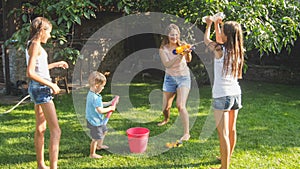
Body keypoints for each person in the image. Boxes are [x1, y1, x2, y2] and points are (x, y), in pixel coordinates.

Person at [26, 17, 69, 169]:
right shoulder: (36, 45)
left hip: (36, 88)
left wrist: (56, 64)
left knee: (41, 128)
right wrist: (51, 84)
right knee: (56, 130)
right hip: (41, 89)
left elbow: (40, 68)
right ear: (42, 31)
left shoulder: (31, 43)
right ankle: (53, 167)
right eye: (49, 32)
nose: (50, 36)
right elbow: (30, 72)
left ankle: (40, 165)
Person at [203, 16, 244, 169]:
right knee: (232, 130)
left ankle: (224, 167)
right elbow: (219, 37)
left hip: (222, 95)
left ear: (227, 35)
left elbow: (207, 39)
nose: (221, 35)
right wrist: (217, 23)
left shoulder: (220, 49)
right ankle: (226, 158)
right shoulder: (238, 51)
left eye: (223, 32)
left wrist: (209, 25)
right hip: (235, 94)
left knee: (223, 134)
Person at [157, 23, 192, 141]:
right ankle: (166, 119)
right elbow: (167, 64)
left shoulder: (182, 45)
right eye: (172, 35)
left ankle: (186, 133)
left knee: (180, 105)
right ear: (167, 35)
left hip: (184, 77)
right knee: (165, 108)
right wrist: (179, 56)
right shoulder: (163, 49)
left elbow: (188, 60)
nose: (174, 37)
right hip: (170, 79)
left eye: (176, 34)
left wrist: (188, 53)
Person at [85, 71, 116, 158]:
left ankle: (99, 146)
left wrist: (109, 103)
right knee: (95, 138)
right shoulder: (95, 97)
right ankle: (92, 154)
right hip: (95, 122)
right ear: (96, 86)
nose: (103, 88)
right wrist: (110, 108)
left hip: (95, 120)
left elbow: (100, 104)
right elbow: (100, 110)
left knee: (104, 131)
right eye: (102, 87)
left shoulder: (92, 94)